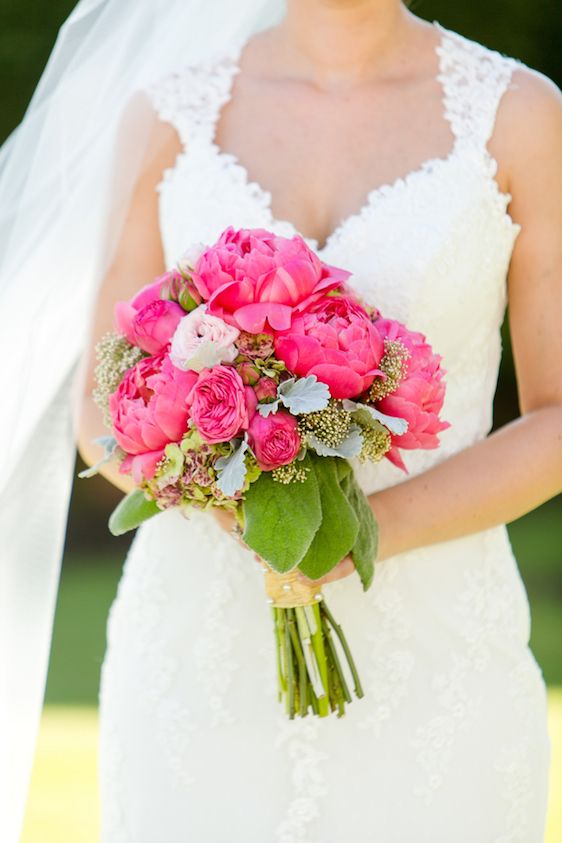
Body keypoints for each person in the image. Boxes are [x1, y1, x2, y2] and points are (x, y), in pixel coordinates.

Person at [2, 0, 561, 840]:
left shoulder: (519, 114)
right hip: (194, 654)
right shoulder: (167, 115)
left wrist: (358, 531)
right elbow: (101, 402)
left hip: (439, 653)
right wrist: (226, 496)